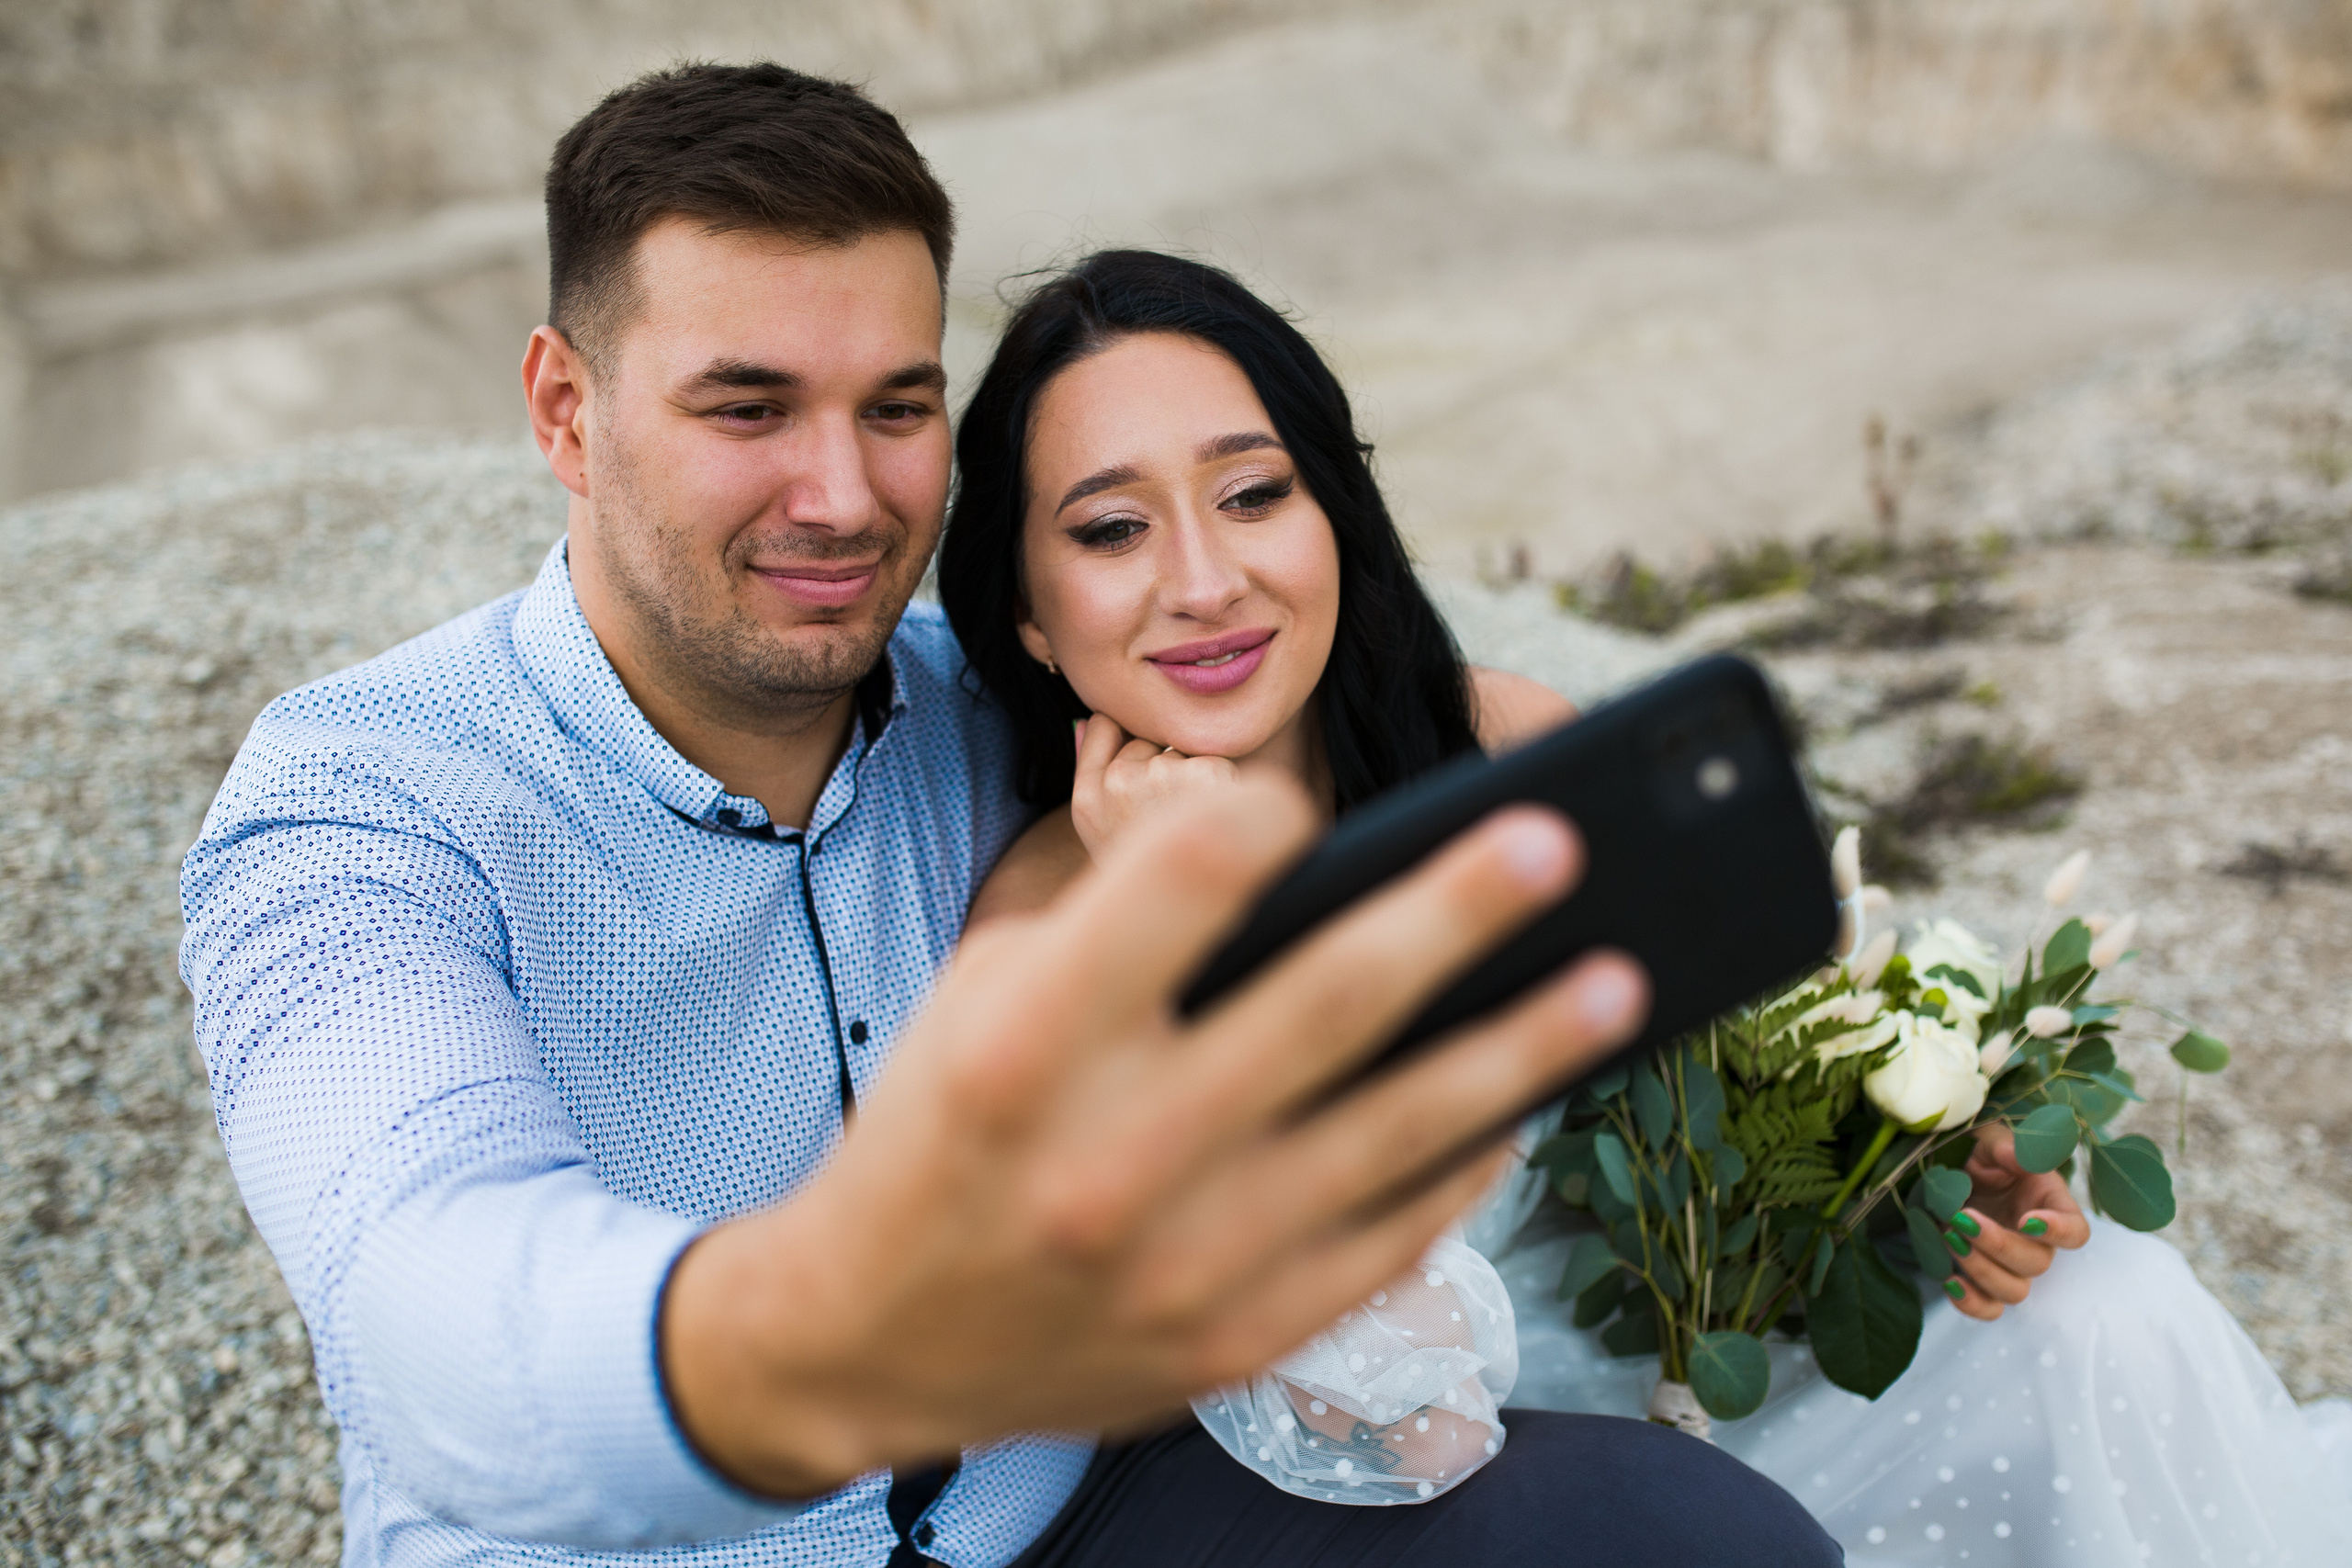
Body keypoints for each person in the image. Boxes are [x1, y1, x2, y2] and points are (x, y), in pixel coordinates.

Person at [177, 63, 1841, 1567]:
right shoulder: (360, 809)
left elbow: (1340, 698)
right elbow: (430, 1307)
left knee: (1706, 1546)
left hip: (1075, 1523)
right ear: (564, 410)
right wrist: (823, 1342)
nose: (842, 497)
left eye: (898, 407)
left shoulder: (1022, 688)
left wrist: (1887, 1139)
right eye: (748, 408)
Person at [940, 246, 2352, 1565]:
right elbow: (1402, 1427)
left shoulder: (1501, 747)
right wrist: (1199, 924)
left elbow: (1731, 1064)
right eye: (1114, 528)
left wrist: (1934, 1172)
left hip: (1677, 1354)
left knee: (2114, 1311)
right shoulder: (1041, 947)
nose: (1205, 579)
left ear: (1335, 512)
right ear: (1025, 614)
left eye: (1254, 494)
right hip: (1459, 1484)